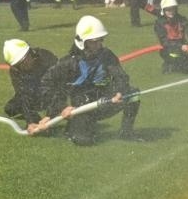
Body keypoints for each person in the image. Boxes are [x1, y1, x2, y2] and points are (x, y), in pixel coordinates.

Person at [34, 15, 142, 144]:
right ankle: (75, 127)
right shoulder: (68, 63)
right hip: (81, 107)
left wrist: (120, 91)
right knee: (84, 141)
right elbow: (46, 84)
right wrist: (62, 107)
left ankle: (126, 132)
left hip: (104, 101)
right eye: (94, 41)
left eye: (100, 40)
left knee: (133, 93)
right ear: (82, 42)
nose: (99, 45)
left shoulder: (107, 56)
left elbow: (121, 76)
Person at [2, 38, 58, 128]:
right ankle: (37, 120)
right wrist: (31, 121)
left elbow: (58, 88)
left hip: (51, 92)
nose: (24, 66)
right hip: (33, 94)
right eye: (19, 64)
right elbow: (22, 94)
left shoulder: (47, 59)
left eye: (25, 60)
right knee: (10, 108)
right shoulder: (15, 71)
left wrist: (49, 116)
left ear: (30, 53)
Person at [151, 0, 188, 74]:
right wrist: (180, 46)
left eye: (173, 9)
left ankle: (172, 65)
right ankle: (169, 65)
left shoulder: (182, 20)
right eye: (168, 10)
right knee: (182, 67)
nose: (171, 12)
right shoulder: (159, 23)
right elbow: (164, 42)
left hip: (181, 50)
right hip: (168, 50)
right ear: (163, 10)